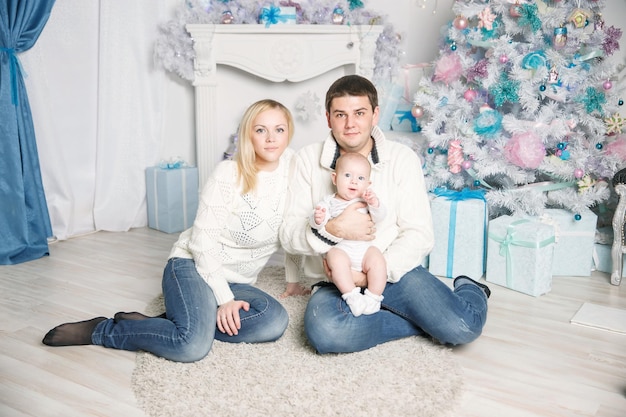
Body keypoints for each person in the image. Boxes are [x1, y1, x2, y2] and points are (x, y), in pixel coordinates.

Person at [43, 99, 309, 362]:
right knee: (191, 346)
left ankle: (170, 321)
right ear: (248, 134)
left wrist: (294, 280)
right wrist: (225, 300)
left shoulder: (294, 170)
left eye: (279, 129)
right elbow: (202, 244)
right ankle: (103, 330)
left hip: (237, 280)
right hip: (191, 264)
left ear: (289, 133)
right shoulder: (229, 173)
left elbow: (293, 227)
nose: (271, 138)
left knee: (273, 321)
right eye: (261, 129)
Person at [279, 75, 490, 354]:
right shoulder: (307, 159)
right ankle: (425, 322)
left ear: (375, 115)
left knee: (462, 326)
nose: (350, 123)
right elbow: (288, 234)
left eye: (360, 113)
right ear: (328, 118)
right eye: (340, 114)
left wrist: (371, 275)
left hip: (394, 268)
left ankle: (471, 289)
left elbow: (420, 234)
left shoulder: (402, 158)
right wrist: (335, 229)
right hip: (338, 279)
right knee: (327, 333)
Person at [310, 152, 386, 316]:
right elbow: (318, 223)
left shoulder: (366, 201)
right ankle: (352, 296)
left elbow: (379, 217)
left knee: (378, 258)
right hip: (343, 250)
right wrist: (318, 219)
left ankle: (373, 297)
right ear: (335, 178)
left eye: (360, 178)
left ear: (368, 183)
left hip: (364, 251)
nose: (353, 181)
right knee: (334, 256)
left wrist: (375, 204)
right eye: (347, 175)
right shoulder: (329, 201)